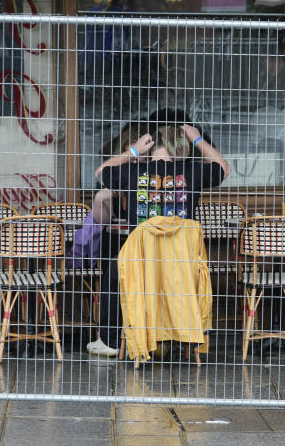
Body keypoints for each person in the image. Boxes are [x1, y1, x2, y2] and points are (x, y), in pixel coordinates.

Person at [86, 120, 229, 357]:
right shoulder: (192, 173)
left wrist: (132, 151)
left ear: (150, 149)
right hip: (180, 270)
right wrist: (197, 139)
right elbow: (223, 167)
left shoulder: (132, 172)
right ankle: (186, 338)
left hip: (142, 269)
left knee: (113, 269)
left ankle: (111, 341)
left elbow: (100, 173)